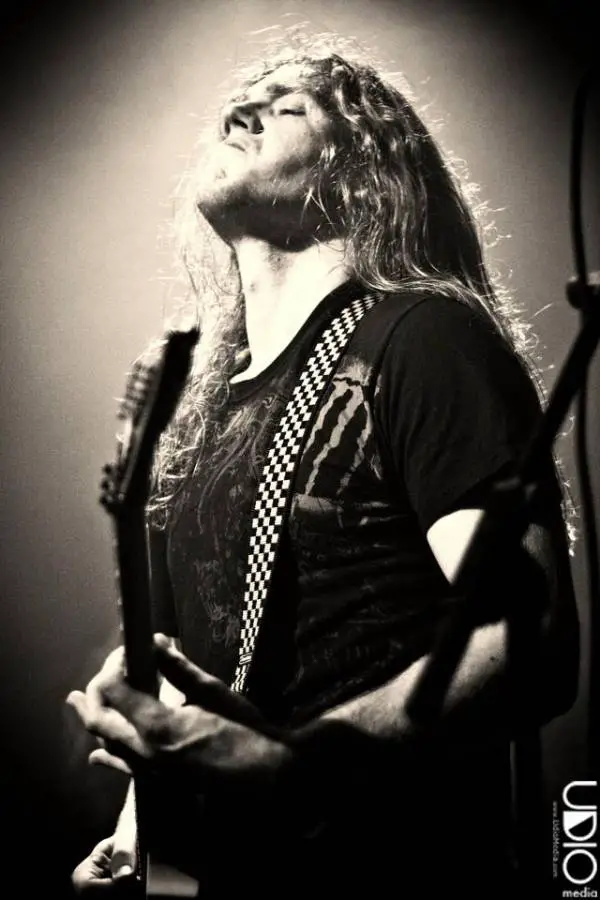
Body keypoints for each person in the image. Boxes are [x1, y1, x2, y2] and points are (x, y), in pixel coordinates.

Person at [66, 34, 580, 899]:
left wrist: (301, 764)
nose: (240, 111)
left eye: (287, 105)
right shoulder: (194, 410)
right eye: (240, 103)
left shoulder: (424, 341)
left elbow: (526, 642)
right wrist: (136, 839)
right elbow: (188, 674)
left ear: (359, 175)